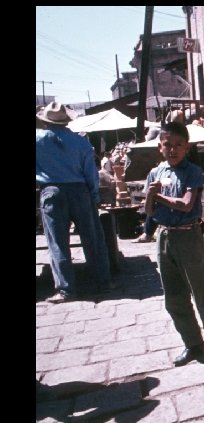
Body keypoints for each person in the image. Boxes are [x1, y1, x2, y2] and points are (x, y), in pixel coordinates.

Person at [144, 122, 204, 370]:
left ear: (187, 147)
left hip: (188, 237)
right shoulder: (155, 173)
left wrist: (159, 196)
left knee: (202, 296)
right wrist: (150, 195)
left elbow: (186, 204)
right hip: (164, 238)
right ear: (160, 147)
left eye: (178, 145)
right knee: (174, 298)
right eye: (167, 145)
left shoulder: (192, 171)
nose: (172, 150)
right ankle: (193, 344)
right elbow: (149, 212)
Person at [36, 101, 115, 303]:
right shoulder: (81, 142)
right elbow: (91, 173)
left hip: (51, 190)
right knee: (93, 239)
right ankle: (103, 282)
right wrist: (95, 196)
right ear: (66, 120)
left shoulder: (37, 140)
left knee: (57, 242)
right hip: (80, 191)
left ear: (45, 121)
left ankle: (67, 289)